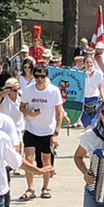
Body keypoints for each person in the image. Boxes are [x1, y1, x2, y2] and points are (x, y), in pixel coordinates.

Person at [18, 65, 66, 200]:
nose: (39, 79)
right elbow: (21, 106)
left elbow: (59, 112)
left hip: (47, 131)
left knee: (46, 160)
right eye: (37, 76)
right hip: (31, 129)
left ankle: (45, 187)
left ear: (46, 77)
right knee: (29, 159)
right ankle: (30, 188)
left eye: (42, 76)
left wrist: (56, 133)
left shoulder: (53, 91)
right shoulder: (28, 90)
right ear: (33, 76)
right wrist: (29, 113)